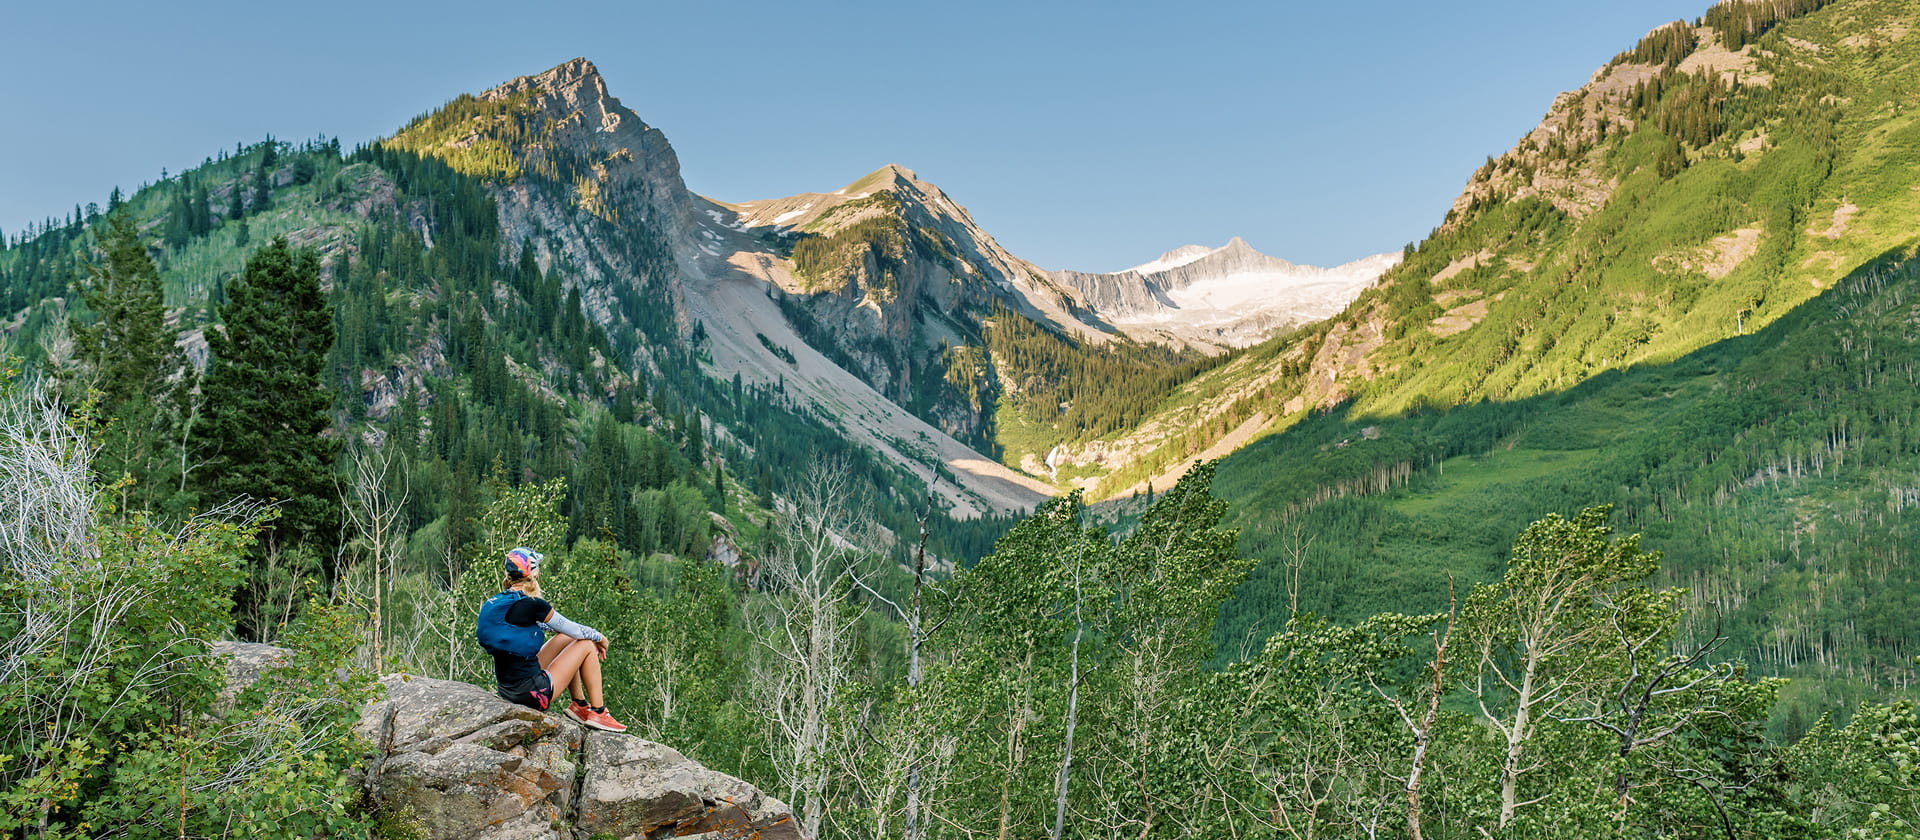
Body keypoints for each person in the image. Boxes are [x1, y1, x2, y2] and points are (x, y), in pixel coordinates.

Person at [475, 546, 627, 733]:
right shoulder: (533, 604)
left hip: (509, 689)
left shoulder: (499, 602)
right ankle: (599, 712)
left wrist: (586, 634)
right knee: (586, 644)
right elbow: (572, 628)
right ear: (534, 573)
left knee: (567, 638)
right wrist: (600, 637)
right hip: (532, 693)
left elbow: (562, 631)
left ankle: (579, 705)